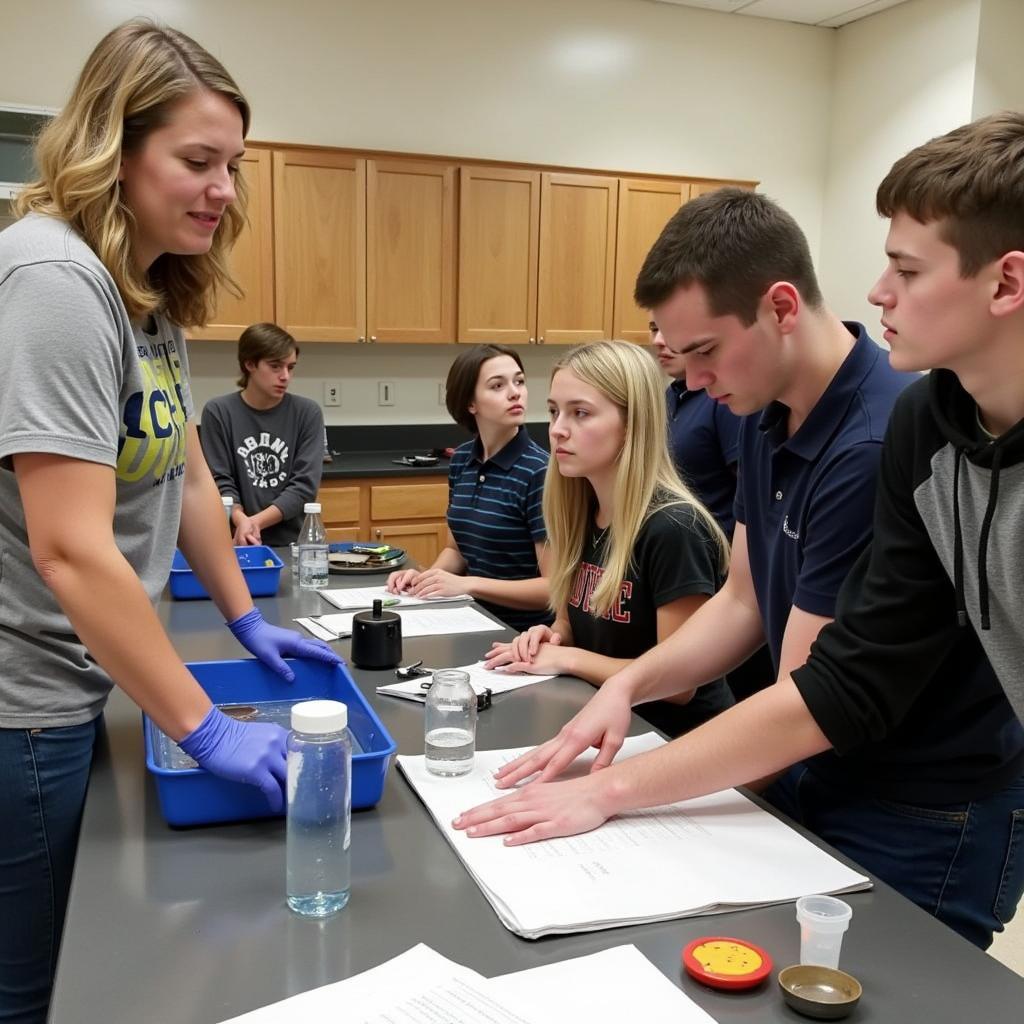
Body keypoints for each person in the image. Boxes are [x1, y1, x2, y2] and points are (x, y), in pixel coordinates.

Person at [454, 140, 1024, 950]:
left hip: (924, 804)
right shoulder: (805, 416)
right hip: (829, 765)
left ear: (781, 309)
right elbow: (744, 598)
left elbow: (823, 690)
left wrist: (616, 790)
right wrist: (628, 686)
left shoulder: (870, 439)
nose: (688, 380)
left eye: (705, 352)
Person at [0, 21, 341, 1022]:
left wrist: (241, 617)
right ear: (115, 147)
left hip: (84, 672)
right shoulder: (55, 284)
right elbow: (68, 546)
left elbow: (185, 467)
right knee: (31, 987)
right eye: (197, 161)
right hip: (24, 701)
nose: (224, 188)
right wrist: (202, 727)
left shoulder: (140, 289)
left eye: (232, 164)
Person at [483, 342, 734, 735]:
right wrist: (553, 636)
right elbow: (570, 619)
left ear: (633, 424)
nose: (557, 429)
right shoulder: (580, 509)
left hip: (671, 737)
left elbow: (679, 686)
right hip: (603, 717)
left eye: (580, 413)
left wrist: (566, 658)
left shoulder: (673, 527)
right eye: (553, 411)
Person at [651, 316, 773, 701]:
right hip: (703, 579)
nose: (659, 339)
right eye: (653, 327)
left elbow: (749, 496)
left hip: (721, 574)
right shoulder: (675, 396)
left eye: (667, 329)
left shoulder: (725, 404)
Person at [386, 345, 551, 631]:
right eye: (497, 385)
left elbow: (553, 589)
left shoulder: (540, 472)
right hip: (469, 619)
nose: (515, 392)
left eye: (519, 381)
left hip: (520, 635)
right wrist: (427, 579)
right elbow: (457, 550)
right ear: (470, 403)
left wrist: (467, 584)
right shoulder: (462, 460)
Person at [200, 322, 324, 546]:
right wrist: (242, 521)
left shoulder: (307, 413)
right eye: (275, 366)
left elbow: (304, 487)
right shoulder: (218, 412)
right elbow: (220, 482)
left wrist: (254, 522)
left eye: (291, 367)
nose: (285, 376)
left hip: (291, 544)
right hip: (235, 540)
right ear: (249, 364)